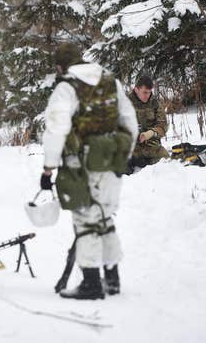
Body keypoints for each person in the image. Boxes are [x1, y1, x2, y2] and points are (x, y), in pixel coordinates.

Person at [40, 43, 138, 299]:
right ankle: (113, 279)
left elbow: (56, 129)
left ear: (61, 66)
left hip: (81, 163)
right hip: (111, 158)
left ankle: (91, 284)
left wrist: (48, 168)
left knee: (85, 222)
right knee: (105, 218)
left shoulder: (66, 88)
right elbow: (129, 121)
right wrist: (122, 155)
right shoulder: (110, 81)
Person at [127, 75, 169, 172]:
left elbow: (163, 126)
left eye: (150, 92)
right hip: (130, 147)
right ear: (136, 89)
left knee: (165, 160)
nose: (147, 96)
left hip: (151, 145)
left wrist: (150, 133)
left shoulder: (155, 103)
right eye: (145, 92)